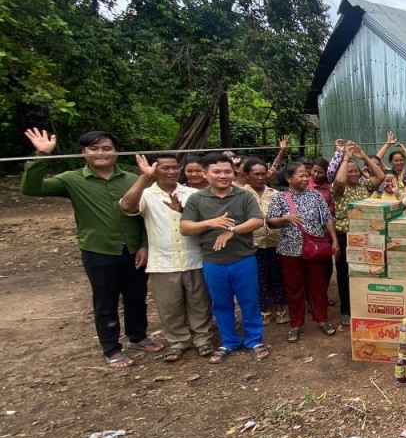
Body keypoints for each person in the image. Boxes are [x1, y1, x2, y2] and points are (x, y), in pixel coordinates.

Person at [22, 128, 158, 368]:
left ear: (115, 152)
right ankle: (111, 348)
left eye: (107, 148)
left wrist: (145, 245)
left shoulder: (131, 179)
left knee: (136, 296)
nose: (101, 153)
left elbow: (145, 217)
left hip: (133, 250)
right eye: (93, 149)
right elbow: (32, 188)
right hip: (98, 251)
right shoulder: (71, 179)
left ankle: (138, 336)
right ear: (83, 152)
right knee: (105, 301)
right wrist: (41, 155)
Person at [119, 153, 216, 362]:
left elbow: (207, 222)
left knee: (199, 302)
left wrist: (182, 211)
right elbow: (127, 207)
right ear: (155, 170)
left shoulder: (193, 194)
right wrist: (144, 177)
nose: (171, 172)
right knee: (169, 305)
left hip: (194, 257)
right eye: (165, 168)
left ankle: (203, 339)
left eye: (175, 167)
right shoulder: (146, 195)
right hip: (163, 261)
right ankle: (178, 341)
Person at [179, 153, 268, 363]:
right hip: (213, 262)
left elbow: (257, 220)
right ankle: (229, 341)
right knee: (220, 304)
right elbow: (185, 227)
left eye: (227, 171)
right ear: (205, 173)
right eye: (217, 171)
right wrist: (211, 223)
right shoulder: (197, 199)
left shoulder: (243, 196)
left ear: (234, 172)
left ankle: (255, 340)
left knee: (249, 301)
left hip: (244, 259)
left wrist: (233, 229)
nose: (223, 175)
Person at [266, 162, 340, 342]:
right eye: (301, 175)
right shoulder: (279, 198)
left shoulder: (315, 196)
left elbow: (327, 219)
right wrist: (285, 218)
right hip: (290, 250)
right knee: (294, 288)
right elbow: (270, 222)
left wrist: (334, 239)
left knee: (319, 285)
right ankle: (296, 324)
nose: (306, 178)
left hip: (314, 249)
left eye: (307, 175)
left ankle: (322, 320)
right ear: (289, 178)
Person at [331, 142, 386, 325]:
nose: (353, 174)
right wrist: (346, 157)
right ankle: (346, 309)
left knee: (365, 273)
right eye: (350, 171)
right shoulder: (338, 190)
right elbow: (339, 180)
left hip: (366, 237)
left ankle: (364, 306)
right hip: (345, 236)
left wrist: (363, 156)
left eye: (356, 171)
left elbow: (381, 176)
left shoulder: (364, 186)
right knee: (345, 273)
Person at [242, 158, 288, 325]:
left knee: (278, 276)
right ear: (247, 175)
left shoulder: (275, 194)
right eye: (256, 174)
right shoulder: (241, 194)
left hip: (276, 241)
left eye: (263, 174)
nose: (260, 178)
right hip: (253, 243)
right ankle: (265, 308)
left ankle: (281, 307)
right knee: (259, 278)